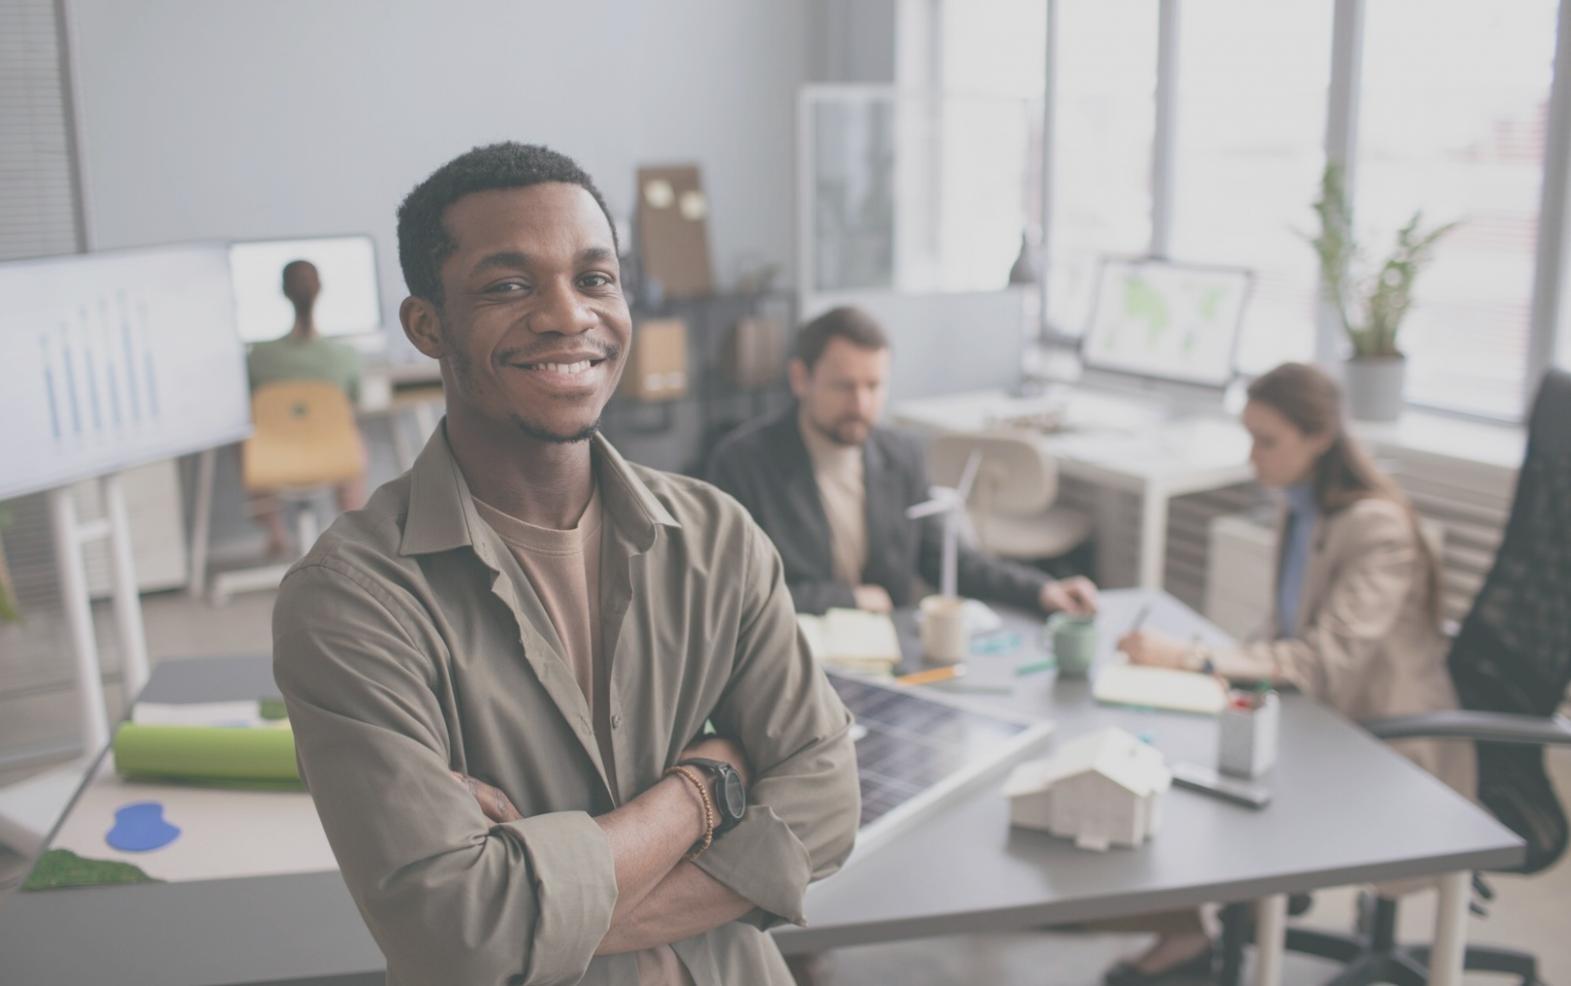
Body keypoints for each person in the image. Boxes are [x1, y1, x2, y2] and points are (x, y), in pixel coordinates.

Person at [271, 143, 860, 986]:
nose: (567, 315)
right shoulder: (353, 600)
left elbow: (827, 806)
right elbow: (456, 931)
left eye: (594, 278)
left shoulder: (715, 537)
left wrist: (532, 912)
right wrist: (704, 788)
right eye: (509, 286)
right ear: (428, 325)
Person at [1107, 362, 1476, 985]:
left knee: (1197, 778)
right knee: (1164, 744)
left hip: (1385, 746)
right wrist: (1210, 661)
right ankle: (1188, 930)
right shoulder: (1302, 506)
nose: (1253, 457)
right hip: (1324, 717)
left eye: (1267, 440)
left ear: (1320, 437)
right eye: (1249, 436)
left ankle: (1207, 931)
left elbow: (1321, 659)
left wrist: (1191, 658)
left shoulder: (1377, 527)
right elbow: (1284, 629)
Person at [707, 305, 1098, 618]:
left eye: (874, 386)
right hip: (792, 654)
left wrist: (1041, 590)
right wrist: (846, 599)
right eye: (844, 386)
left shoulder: (902, 455)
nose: (861, 404)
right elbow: (733, 593)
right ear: (800, 379)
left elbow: (948, 560)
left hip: (887, 655)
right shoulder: (744, 462)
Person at [245, 259, 367, 554]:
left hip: (271, 460)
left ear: (283, 292)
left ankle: (274, 530)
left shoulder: (258, 357)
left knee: (247, 435)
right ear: (320, 290)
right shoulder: (345, 356)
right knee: (349, 430)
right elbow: (356, 399)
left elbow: (248, 405)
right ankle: (352, 526)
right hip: (333, 458)